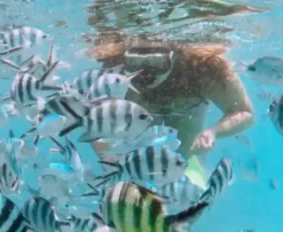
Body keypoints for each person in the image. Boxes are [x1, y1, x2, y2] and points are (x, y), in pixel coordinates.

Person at [90, 34, 255, 158]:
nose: (146, 74)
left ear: (174, 56)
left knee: (184, 154)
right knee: (139, 156)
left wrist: (213, 132)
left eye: (156, 63)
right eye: (137, 64)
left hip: (189, 110)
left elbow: (244, 112)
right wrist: (111, 164)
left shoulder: (205, 66)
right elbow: (92, 119)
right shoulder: (115, 68)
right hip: (143, 113)